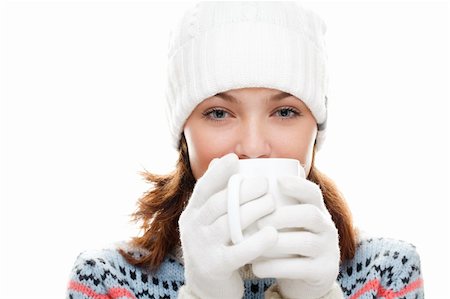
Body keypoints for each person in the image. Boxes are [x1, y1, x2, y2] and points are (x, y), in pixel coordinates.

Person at [66, 2, 424, 298]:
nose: (253, 147)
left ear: (316, 131)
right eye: (219, 113)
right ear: (183, 134)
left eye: (285, 112)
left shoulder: (386, 273)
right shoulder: (106, 280)